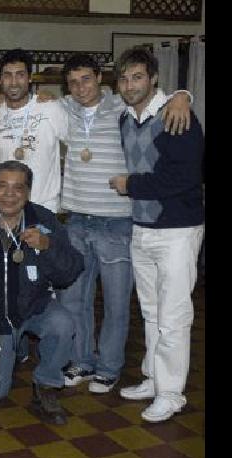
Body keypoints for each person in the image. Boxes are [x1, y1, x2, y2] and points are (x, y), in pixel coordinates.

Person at [54, 53, 191, 393]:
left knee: (116, 303)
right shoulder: (63, 109)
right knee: (75, 301)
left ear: (100, 78)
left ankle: (109, 366)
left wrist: (183, 96)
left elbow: (161, 98)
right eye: (73, 82)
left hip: (116, 222)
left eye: (86, 79)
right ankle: (81, 361)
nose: (80, 87)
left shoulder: (122, 106)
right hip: (75, 221)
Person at [108, 48, 204, 423]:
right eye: (125, 78)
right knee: (150, 310)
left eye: (137, 77)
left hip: (177, 230)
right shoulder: (125, 119)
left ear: (153, 79)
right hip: (142, 227)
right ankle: (153, 378)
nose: (130, 85)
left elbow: (183, 178)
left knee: (174, 315)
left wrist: (130, 184)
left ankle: (171, 393)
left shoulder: (177, 115)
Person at [0, 161, 83, 424]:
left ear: (28, 192)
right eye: (2, 186)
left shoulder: (44, 221)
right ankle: (4, 350)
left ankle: (45, 384)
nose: (9, 194)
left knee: (63, 323)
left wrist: (48, 247)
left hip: (33, 307)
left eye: (18, 188)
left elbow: (71, 271)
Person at [0, 49, 69, 212]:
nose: (14, 82)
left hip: (45, 207)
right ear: (0, 80)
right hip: (8, 209)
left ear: (30, 77)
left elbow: (76, 146)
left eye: (20, 74)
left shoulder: (50, 108)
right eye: (8, 75)